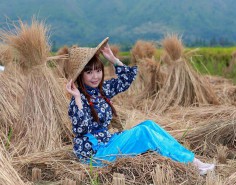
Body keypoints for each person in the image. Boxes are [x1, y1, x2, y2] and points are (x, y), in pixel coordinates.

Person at [65, 37, 215, 175]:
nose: (95, 76)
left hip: (108, 142)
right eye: (89, 72)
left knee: (149, 124)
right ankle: (191, 164)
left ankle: (191, 160)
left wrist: (113, 59)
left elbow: (126, 79)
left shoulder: (101, 90)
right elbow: (80, 129)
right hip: (95, 155)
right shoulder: (78, 99)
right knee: (143, 132)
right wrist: (77, 98)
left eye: (98, 71)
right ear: (81, 75)